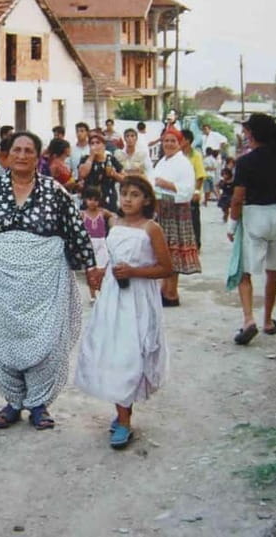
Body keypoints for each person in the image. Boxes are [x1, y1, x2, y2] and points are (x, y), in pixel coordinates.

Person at [0, 131, 100, 432]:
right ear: (6, 156)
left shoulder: (54, 191)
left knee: (46, 339)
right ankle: (13, 401)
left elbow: (76, 232)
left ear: (38, 157)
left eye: (28, 150)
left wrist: (90, 269)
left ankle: (39, 403)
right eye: (16, 150)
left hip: (45, 279)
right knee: (2, 337)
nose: (22, 155)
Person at [75, 176, 172, 449]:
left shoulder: (151, 229)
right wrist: (101, 273)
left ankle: (125, 419)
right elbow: (112, 258)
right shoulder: (115, 223)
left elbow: (166, 268)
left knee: (132, 353)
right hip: (114, 297)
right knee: (114, 352)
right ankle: (122, 413)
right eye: (124, 194)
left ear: (147, 200)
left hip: (138, 300)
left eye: (135, 194)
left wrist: (135, 272)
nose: (128, 199)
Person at [227, 113, 276, 345]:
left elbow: (237, 198)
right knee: (271, 271)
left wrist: (232, 224)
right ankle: (267, 321)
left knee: (244, 271)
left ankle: (248, 320)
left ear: (252, 133)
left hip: (254, 215)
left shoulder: (245, 161)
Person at [152, 127, 200, 306]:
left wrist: (167, 185)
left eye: (173, 141)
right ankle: (165, 289)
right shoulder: (162, 162)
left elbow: (187, 192)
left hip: (176, 213)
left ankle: (171, 292)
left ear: (179, 143)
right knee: (163, 253)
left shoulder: (184, 163)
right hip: (162, 212)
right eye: (166, 141)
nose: (169, 144)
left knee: (174, 253)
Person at [78, 132, 124, 212]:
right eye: (92, 143)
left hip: (108, 198)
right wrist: (92, 156)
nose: (95, 145)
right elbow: (82, 174)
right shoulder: (85, 159)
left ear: (104, 145)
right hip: (90, 199)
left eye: (98, 143)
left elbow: (125, 179)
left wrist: (115, 174)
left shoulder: (111, 159)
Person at [81, 185, 111, 301]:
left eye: (95, 200)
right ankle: (92, 294)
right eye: (90, 199)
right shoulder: (82, 214)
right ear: (85, 200)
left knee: (102, 269)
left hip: (101, 242)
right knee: (90, 270)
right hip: (89, 243)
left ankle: (102, 290)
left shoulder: (103, 213)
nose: (92, 202)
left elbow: (115, 217)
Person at [181, 129, 207, 250]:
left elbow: (200, 175)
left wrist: (197, 191)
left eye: (180, 139)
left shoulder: (196, 155)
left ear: (187, 140)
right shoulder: (177, 155)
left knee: (193, 219)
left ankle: (196, 244)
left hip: (192, 193)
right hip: (180, 193)